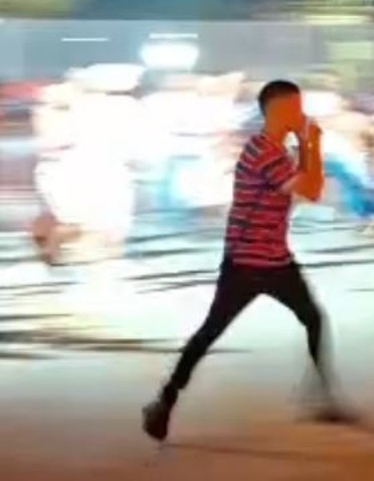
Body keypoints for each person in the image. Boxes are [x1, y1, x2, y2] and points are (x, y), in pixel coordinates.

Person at [142, 80, 354, 443]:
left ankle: (323, 396)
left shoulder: (274, 149)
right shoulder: (263, 153)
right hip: (247, 261)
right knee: (211, 332)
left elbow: (307, 183)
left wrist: (306, 143)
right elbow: (313, 189)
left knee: (313, 318)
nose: (300, 115)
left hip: (273, 257)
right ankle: (164, 400)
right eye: (294, 108)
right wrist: (313, 141)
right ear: (277, 110)